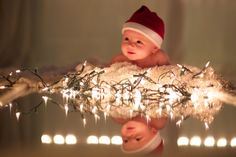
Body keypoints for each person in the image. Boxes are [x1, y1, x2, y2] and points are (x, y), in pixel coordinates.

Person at [110, 5, 170, 154]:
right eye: (126, 38)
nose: (129, 135)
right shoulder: (120, 59)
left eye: (138, 42)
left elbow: (169, 76)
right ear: (153, 132)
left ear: (154, 48)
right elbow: (110, 76)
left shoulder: (158, 57)